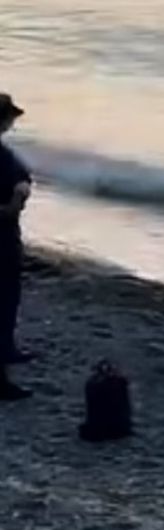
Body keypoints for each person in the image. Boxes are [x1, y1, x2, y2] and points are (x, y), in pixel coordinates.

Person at [0, 93, 33, 401]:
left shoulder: (5, 153)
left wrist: (22, 188)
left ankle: (7, 349)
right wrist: (9, 208)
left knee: (9, 294)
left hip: (7, 233)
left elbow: (22, 174)